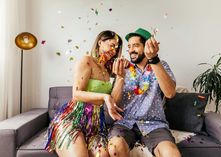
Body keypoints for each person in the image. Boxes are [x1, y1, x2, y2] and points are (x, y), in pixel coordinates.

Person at [45, 30, 125, 157]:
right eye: (112, 45)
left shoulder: (107, 71)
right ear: (100, 42)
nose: (114, 50)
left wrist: (120, 77)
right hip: (73, 120)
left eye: (117, 48)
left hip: (95, 126)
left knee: (103, 155)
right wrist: (104, 96)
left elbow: (113, 102)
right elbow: (76, 94)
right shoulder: (87, 61)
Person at [107, 28, 182, 157]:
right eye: (129, 46)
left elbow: (170, 93)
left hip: (154, 124)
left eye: (135, 45)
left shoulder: (160, 65)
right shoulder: (124, 68)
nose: (131, 50)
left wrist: (154, 60)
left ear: (147, 46)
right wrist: (119, 77)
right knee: (115, 148)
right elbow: (113, 103)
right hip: (125, 123)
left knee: (171, 153)